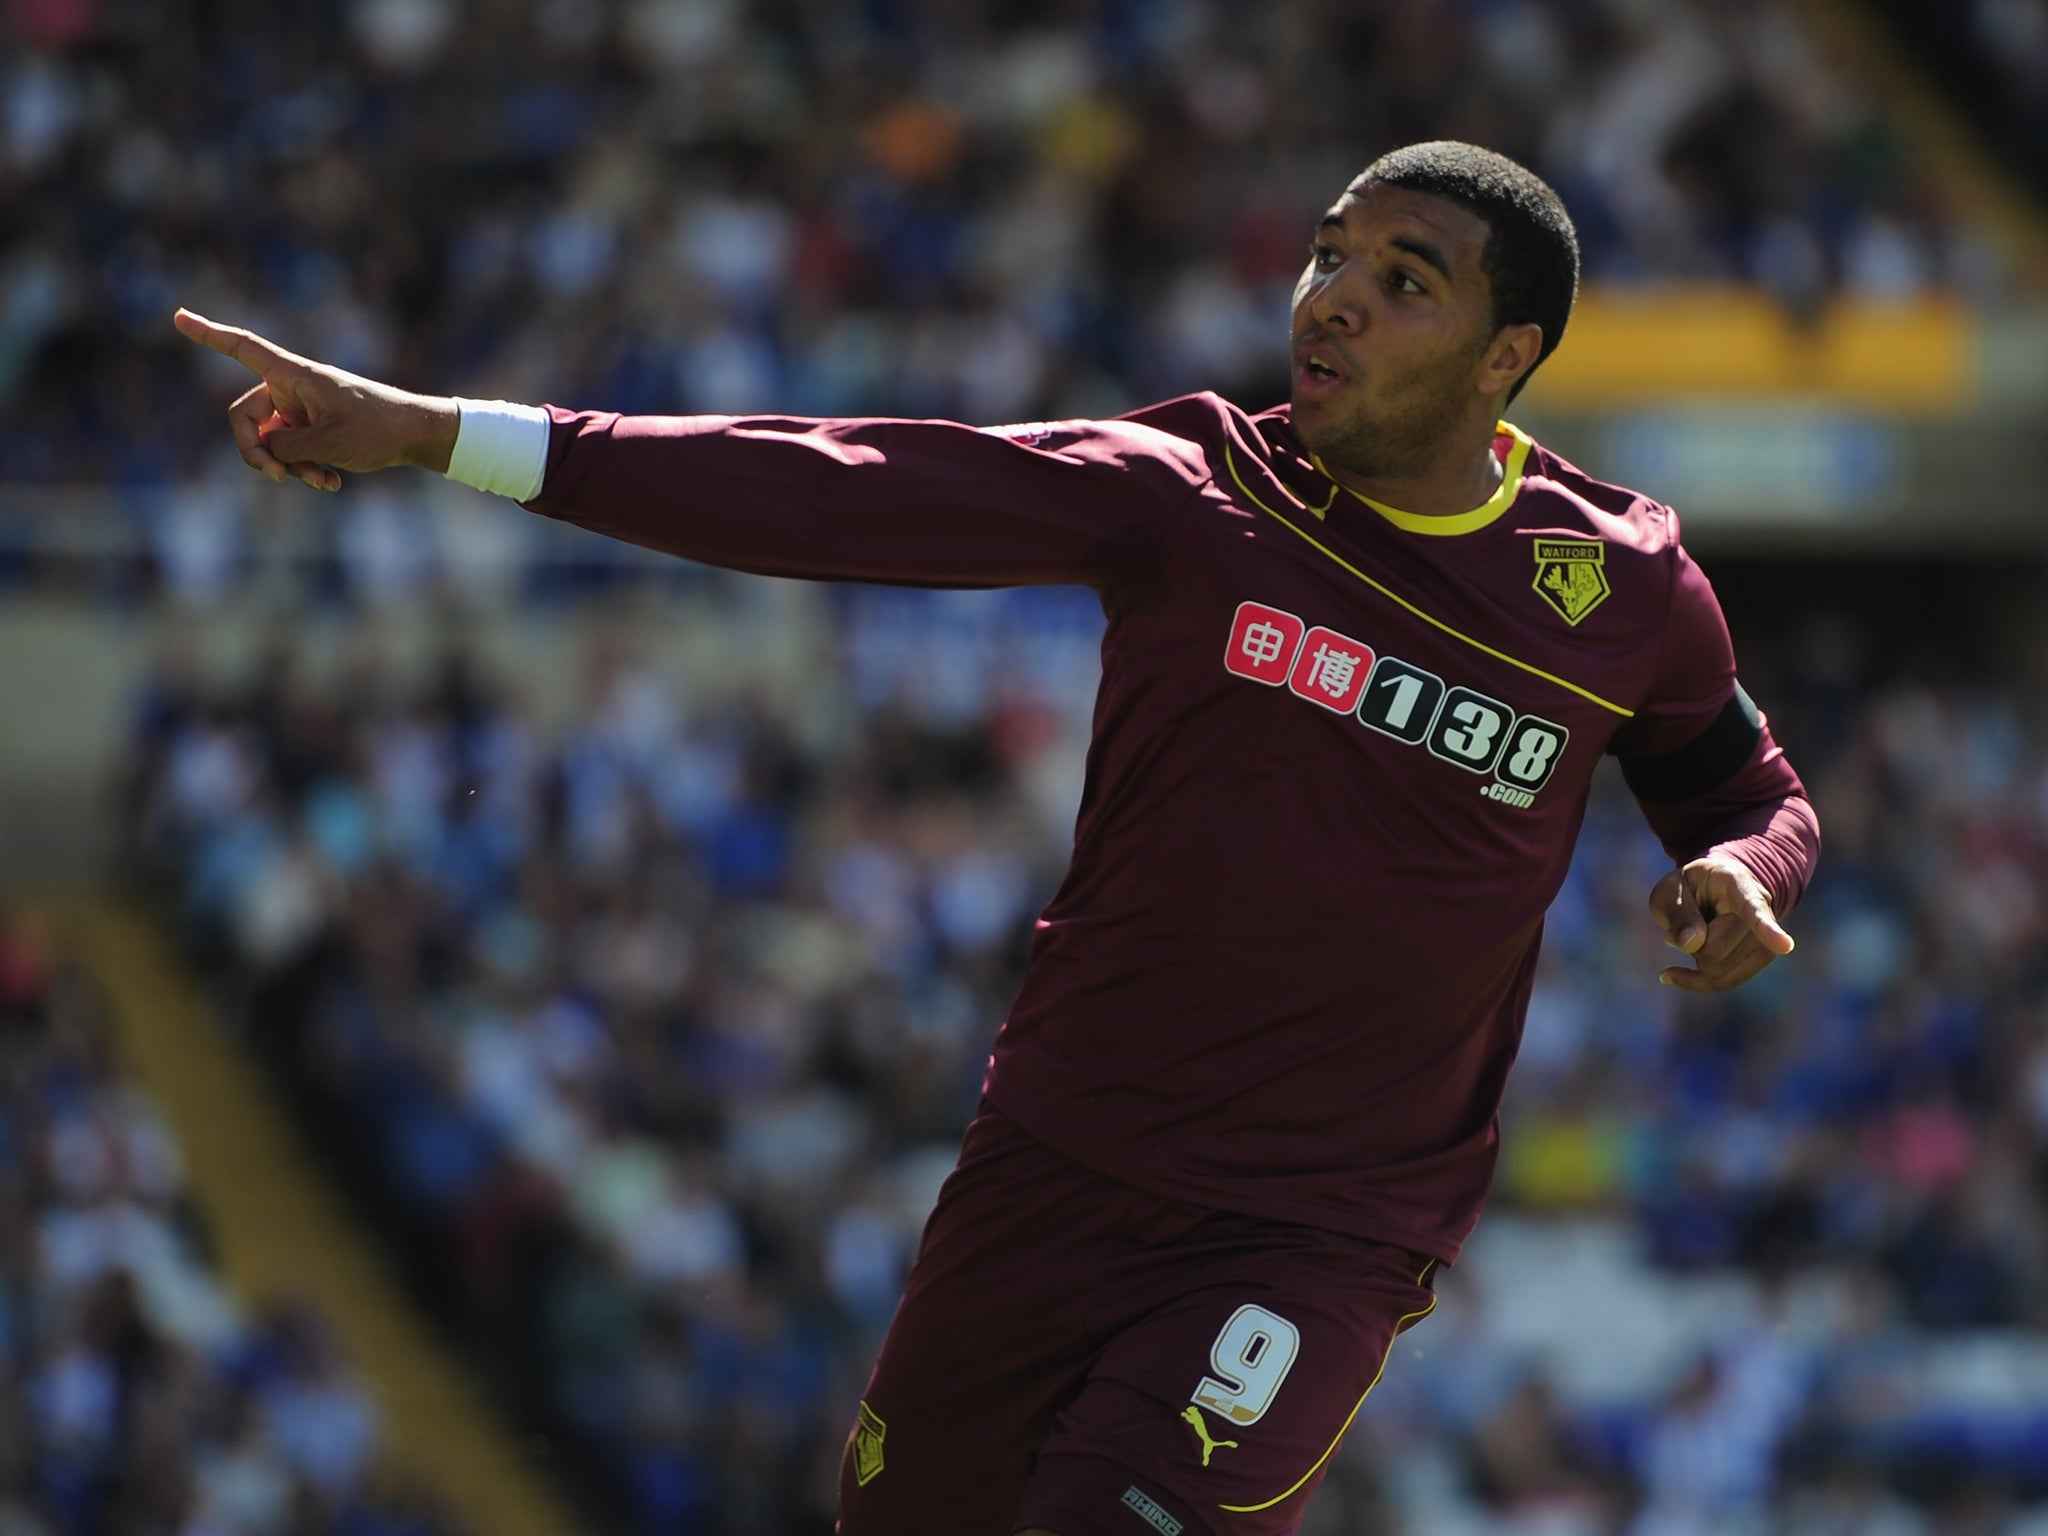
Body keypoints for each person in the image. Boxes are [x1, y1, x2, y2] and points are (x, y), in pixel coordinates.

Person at [174, 141, 1819, 1536]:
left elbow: (1746, 789)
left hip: (1320, 1227)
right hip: (1056, 1161)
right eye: (1328, 257)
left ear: (1506, 355)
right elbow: (833, 484)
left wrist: (1753, 869)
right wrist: (439, 431)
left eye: (1406, 280)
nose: (1334, 298)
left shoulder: (1619, 590)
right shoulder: (1189, 493)